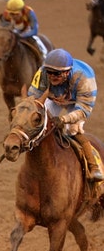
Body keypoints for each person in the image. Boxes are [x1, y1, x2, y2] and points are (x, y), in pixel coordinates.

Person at [28, 48, 103, 182]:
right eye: (49, 72)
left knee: (72, 129)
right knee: (37, 119)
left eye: (56, 73)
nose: (51, 76)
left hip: (77, 103)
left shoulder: (85, 79)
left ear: (67, 72)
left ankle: (94, 166)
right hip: (55, 98)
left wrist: (64, 119)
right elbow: (33, 98)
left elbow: (83, 110)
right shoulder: (42, 73)